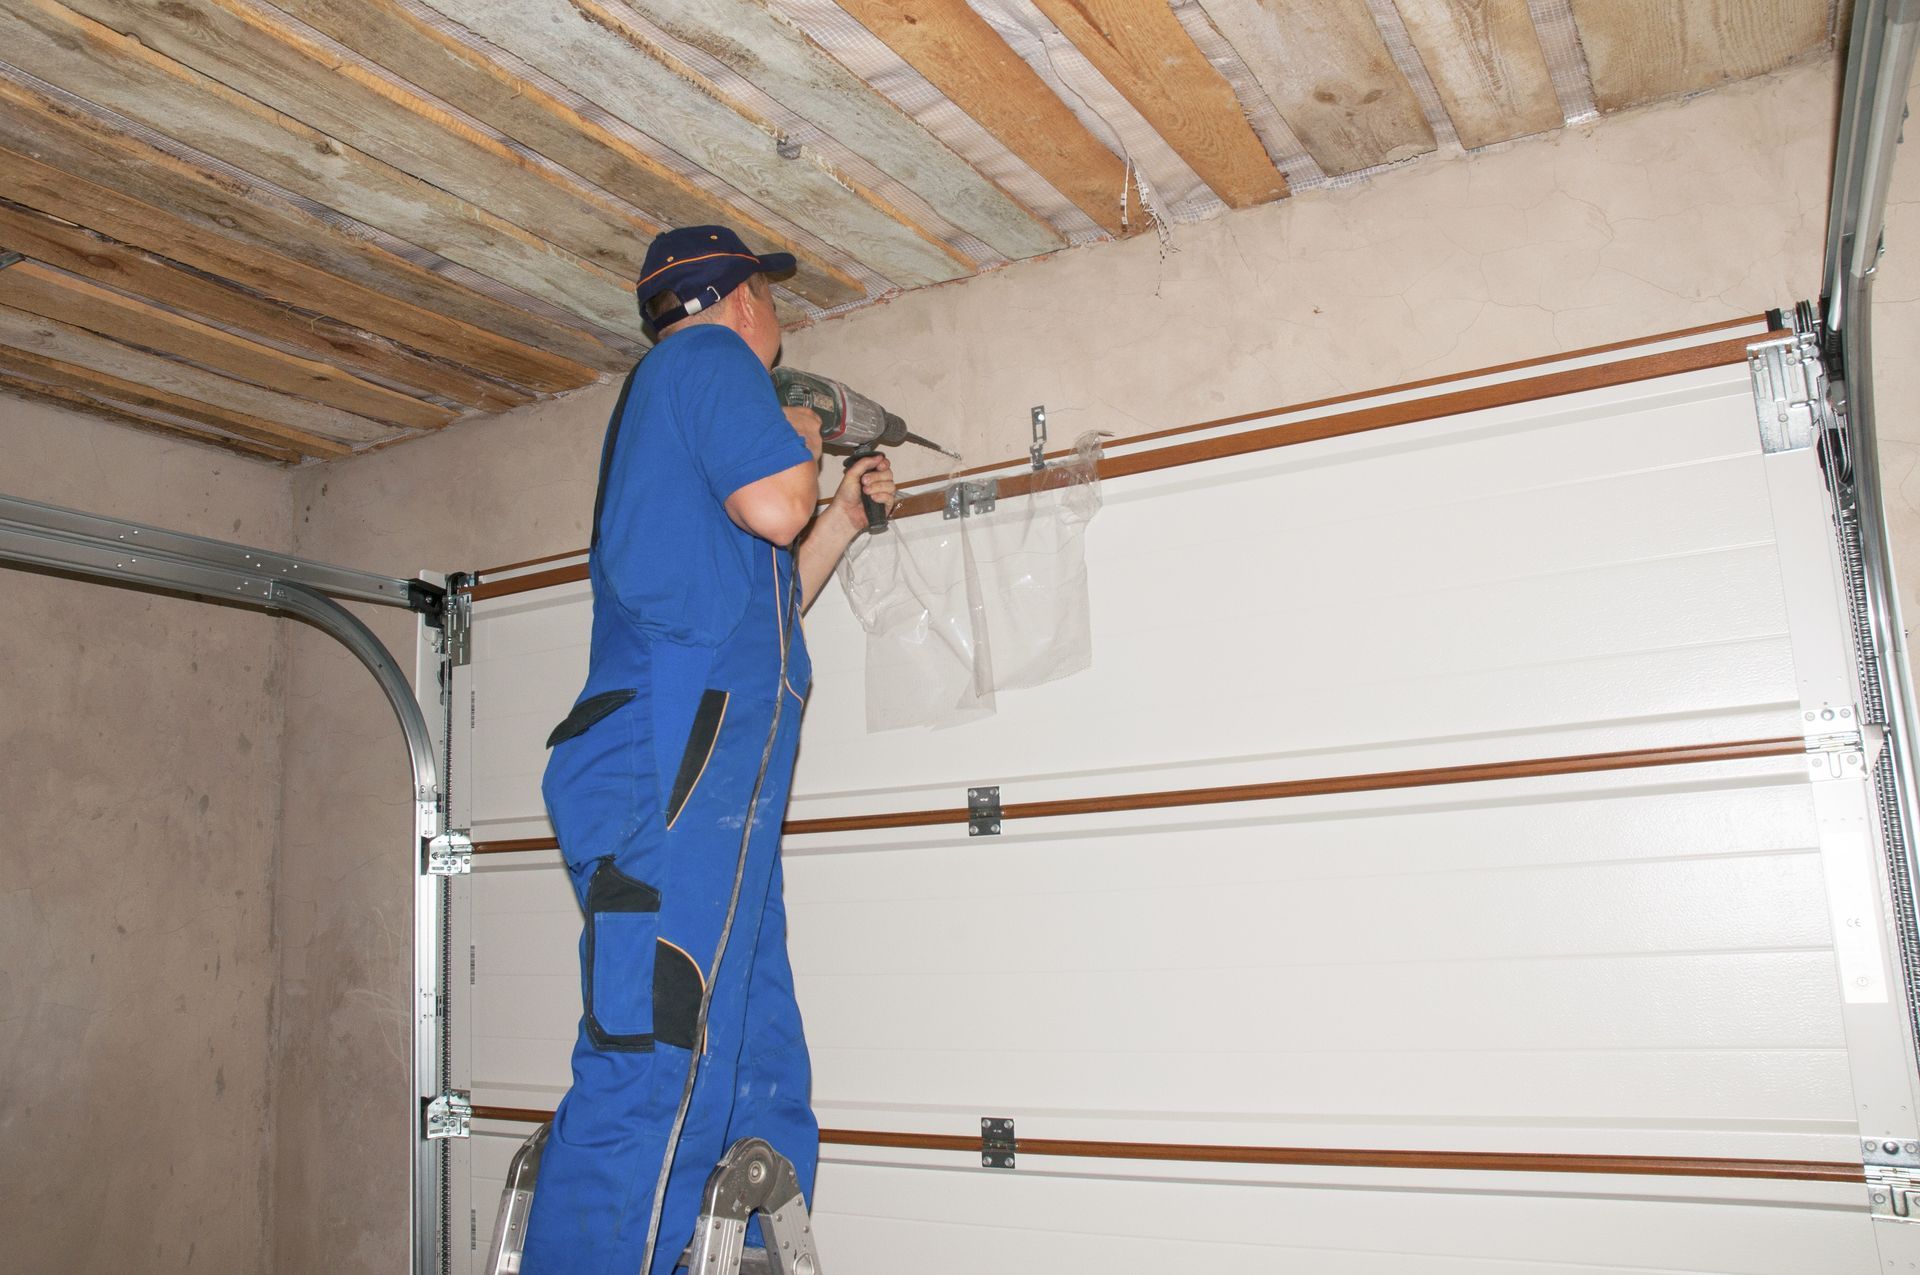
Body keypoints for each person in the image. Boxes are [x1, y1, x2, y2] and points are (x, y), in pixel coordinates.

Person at [522, 225, 895, 1274]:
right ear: (737, 300)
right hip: (663, 770)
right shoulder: (704, 360)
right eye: (772, 299)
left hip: (715, 789)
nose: (780, 318)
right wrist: (806, 435)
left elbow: (772, 597)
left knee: (751, 1049)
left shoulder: (691, 425)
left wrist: (845, 518)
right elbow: (777, 502)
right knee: (657, 1048)